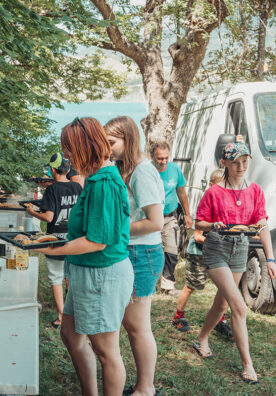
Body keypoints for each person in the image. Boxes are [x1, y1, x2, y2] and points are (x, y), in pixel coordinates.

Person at [33, 117, 134, 396]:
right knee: (71, 335)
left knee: (106, 351)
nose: (65, 155)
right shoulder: (92, 179)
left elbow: (97, 242)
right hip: (84, 271)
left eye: (68, 148)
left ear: (84, 147)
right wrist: (50, 240)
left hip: (102, 273)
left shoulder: (103, 183)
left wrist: (51, 249)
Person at [193, 142, 276, 384]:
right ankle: (247, 364)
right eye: (235, 162)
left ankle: (202, 338)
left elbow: (261, 224)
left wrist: (270, 258)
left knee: (221, 304)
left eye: (244, 161)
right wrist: (212, 225)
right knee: (238, 306)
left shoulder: (255, 191)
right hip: (217, 248)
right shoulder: (214, 192)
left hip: (240, 248)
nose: (241, 166)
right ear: (225, 163)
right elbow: (198, 223)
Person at [105, 116, 165, 396]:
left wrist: (116, 230)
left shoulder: (142, 171)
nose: (108, 148)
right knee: (130, 324)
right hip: (131, 251)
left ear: (128, 140)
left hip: (144, 254)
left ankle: (145, 389)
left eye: (112, 143)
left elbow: (155, 222)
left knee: (138, 325)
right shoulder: (123, 168)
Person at [172, 168, 233, 339]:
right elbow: (198, 236)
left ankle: (220, 320)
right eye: (221, 186)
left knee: (224, 288)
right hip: (199, 253)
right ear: (211, 185)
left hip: (218, 253)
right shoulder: (206, 204)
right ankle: (178, 317)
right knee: (192, 285)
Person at [26, 152, 82, 329]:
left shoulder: (51, 190)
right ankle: (76, 314)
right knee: (72, 277)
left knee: (56, 277)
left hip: (56, 239)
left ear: (52, 169)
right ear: (67, 169)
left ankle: (61, 316)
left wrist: (32, 212)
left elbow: (49, 217)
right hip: (74, 239)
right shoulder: (77, 187)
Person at [151, 141, 193, 296]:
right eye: (159, 158)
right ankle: (150, 285)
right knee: (153, 251)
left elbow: (181, 193)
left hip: (170, 216)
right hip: (151, 218)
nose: (163, 162)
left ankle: (167, 286)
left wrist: (187, 215)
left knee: (171, 250)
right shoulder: (147, 170)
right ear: (153, 157)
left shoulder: (175, 169)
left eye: (166, 158)